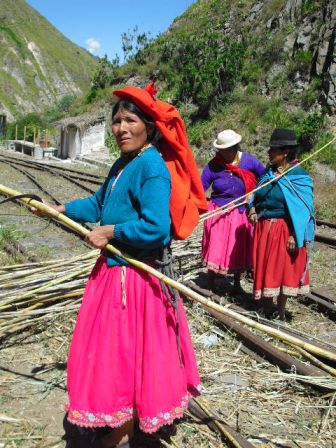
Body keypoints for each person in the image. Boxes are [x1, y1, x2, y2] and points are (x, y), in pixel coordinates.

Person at [36, 84, 207, 447]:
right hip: (112, 275)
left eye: (130, 120)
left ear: (148, 125)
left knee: (126, 354)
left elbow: (155, 228)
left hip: (135, 280)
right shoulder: (122, 164)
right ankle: (116, 415)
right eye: (116, 121)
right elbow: (99, 205)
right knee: (112, 354)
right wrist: (63, 209)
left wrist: (112, 232)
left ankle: (123, 428)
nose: (121, 128)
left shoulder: (151, 167)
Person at [248, 128, 315, 321]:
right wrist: (252, 208)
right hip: (264, 229)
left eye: (273, 150)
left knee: (283, 269)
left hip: (284, 230)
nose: (268, 153)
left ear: (285, 152)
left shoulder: (298, 176)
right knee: (265, 267)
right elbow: (255, 195)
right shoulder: (268, 173)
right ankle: (267, 307)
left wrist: (296, 234)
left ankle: (281, 309)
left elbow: (304, 210)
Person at [201, 129, 265, 291]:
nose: (222, 154)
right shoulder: (214, 165)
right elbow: (201, 187)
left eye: (226, 150)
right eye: (220, 151)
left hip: (240, 211)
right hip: (218, 210)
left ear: (235, 148)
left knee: (238, 248)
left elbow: (265, 179)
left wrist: (254, 196)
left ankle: (236, 283)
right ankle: (210, 282)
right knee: (216, 246)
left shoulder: (249, 161)